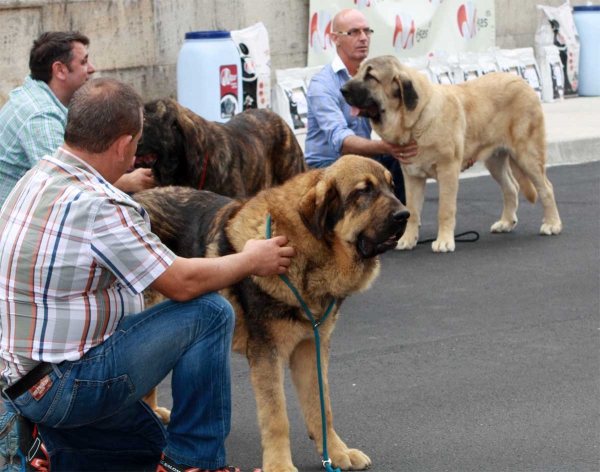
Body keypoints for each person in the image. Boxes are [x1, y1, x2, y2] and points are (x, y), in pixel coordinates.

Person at [0, 78, 295, 472]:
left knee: (147, 447)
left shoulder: (36, 178)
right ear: (123, 144)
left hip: (22, 384)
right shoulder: (102, 206)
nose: (136, 156)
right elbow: (182, 282)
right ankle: (194, 463)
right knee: (209, 312)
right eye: (137, 145)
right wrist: (251, 259)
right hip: (67, 387)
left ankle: (51, 450)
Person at [0, 31, 155, 209]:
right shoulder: (40, 115)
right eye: (83, 62)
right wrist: (126, 181)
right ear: (59, 70)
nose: (92, 68)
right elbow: (62, 183)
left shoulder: (41, 95)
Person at [305, 8, 417, 204]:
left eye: (367, 31)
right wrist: (386, 147)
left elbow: (405, 117)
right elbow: (341, 141)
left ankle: (402, 229)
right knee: (387, 158)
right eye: (354, 32)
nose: (363, 38)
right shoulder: (322, 84)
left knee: (404, 159)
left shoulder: (373, 79)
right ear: (335, 38)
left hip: (363, 160)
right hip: (327, 165)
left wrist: (461, 152)